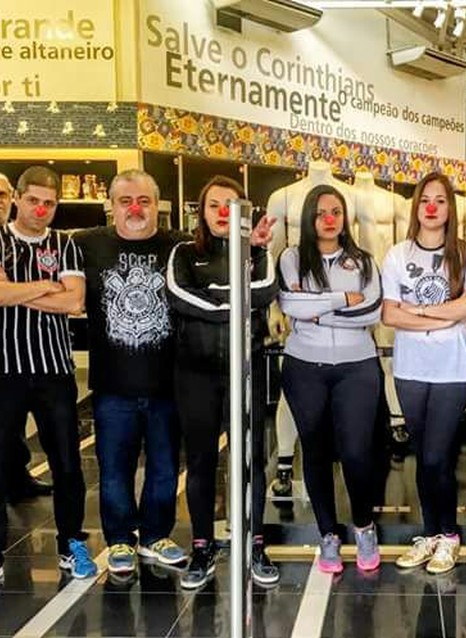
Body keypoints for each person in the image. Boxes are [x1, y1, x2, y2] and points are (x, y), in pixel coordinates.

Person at [0, 166, 97, 590]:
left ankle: (71, 544)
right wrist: (44, 287)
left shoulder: (64, 244)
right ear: (16, 198)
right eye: (34, 200)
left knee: (68, 462)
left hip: (54, 371)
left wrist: (14, 288)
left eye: (50, 203)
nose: (42, 209)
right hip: (1, 370)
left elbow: (74, 301)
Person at [165, 176, 279, 589]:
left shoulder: (258, 251)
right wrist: (235, 301)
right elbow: (180, 297)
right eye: (214, 205)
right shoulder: (182, 253)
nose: (221, 213)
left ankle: (255, 545)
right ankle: (202, 547)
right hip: (195, 374)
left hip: (245, 370)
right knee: (200, 463)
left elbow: (264, 292)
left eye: (230, 206)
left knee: (251, 461)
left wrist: (215, 298)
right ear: (203, 210)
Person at [74, 170, 188, 576]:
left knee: (163, 468)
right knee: (114, 469)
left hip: (167, 384)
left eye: (143, 201)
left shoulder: (181, 245)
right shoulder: (85, 244)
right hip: (112, 387)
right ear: (111, 205)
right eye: (125, 201)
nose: (135, 209)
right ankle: (120, 539)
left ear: (157, 204)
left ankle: (157, 534)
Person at [382, 172, 466, 575]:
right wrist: (446, 312)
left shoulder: (465, 253)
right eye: (425, 199)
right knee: (423, 457)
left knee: (437, 454)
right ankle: (429, 534)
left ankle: (449, 535)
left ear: (449, 209)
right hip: (410, 368)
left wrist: (420, 313)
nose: (431, 207)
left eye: (440, 201)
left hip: (452, 368)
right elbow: (390, 314)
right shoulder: (396, 254)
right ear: (416, 206)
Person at [277, 184, 383, 574]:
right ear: (309, 217)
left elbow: (371, 310)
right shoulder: (291, 258)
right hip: (304, 366)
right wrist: (342, 299)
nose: (329, 218)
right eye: (321, 212)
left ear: (345, 217)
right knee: (316, 451)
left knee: (357, 453)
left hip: (358, 366)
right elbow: (290, 303)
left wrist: (316, 308)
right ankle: (327, 535)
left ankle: (364, 525)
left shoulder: (364, 261)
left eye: (336, 211)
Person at [0, 171, 53, 502]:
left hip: (19, 351)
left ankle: (17, 477)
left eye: (2, 193)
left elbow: (67, 297)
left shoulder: (19, 239)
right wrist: (34, 288)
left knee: (7, 425)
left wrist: (9, 285)